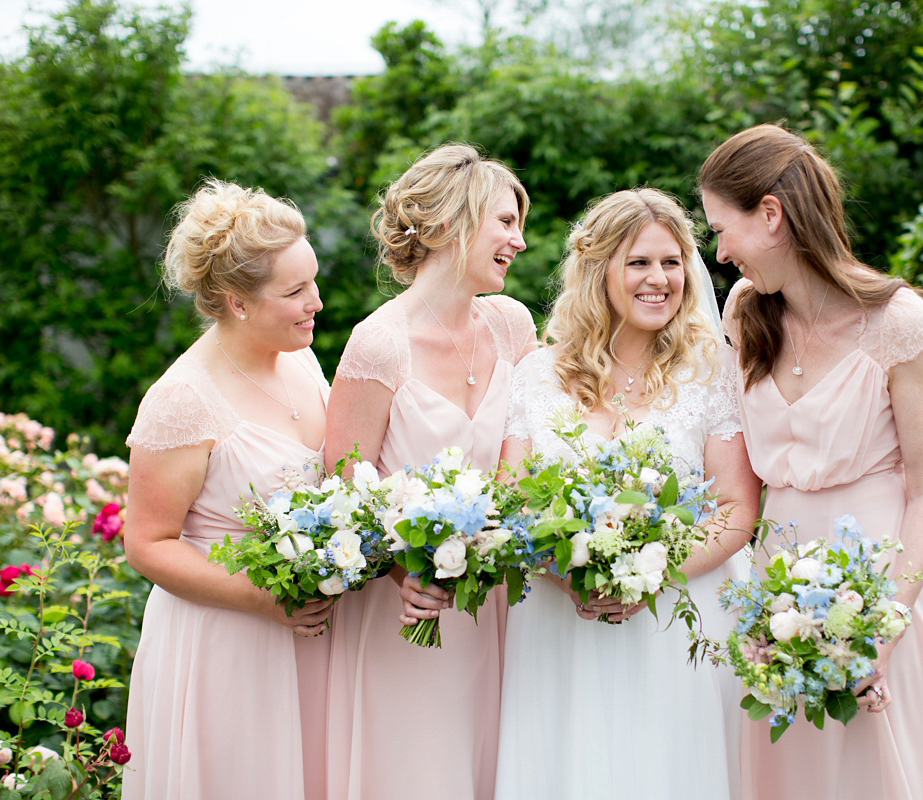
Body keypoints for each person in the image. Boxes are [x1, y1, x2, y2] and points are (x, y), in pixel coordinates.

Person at [701, 124, 923, 800]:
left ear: (771, 216)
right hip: (775, 580)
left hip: (880, 583)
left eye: (724, 229)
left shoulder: (898, 321)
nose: (719, 254)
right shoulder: (746, 311)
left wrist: (883, 629)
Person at [494, 188, 761, 800]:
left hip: (679, 617)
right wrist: (569, 575)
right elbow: (511, 503)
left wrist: (648, 578)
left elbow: (735, 511)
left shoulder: (710, 368)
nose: (659, 279)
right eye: (639, 262)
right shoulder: (538, 374)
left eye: (671, 262)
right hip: (561, 619)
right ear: (599, 269)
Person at [323, 143, 536, 800]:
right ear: (447, 225)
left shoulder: (512, 326)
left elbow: (526, 464)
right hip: (407, 612)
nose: (520, 242)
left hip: (498, 606)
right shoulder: (379, 343)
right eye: (505, 222)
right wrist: (409, 574)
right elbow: (343, 488)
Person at [122, 180, 333, 800]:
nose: (316, 302)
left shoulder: (300, 359)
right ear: (237, 302)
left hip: (310, 635)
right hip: (228, 642)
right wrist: (263, 600)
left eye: (313, 281)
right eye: (295, 292)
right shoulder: (182, 400)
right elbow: (149, 543)